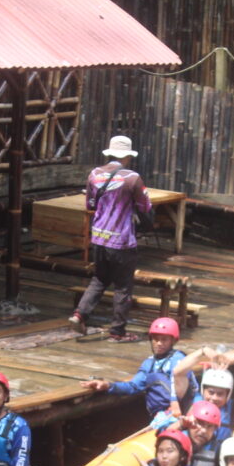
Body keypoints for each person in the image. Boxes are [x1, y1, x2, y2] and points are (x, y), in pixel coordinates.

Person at [68, 135, 153, 343]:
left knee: (99, 279)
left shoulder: (94, 174)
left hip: (99, 238)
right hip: (122, 241)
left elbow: (90, 205)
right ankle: (117, 332)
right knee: (123, 286)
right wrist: (147, 226)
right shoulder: (133, 178)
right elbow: (145, 208)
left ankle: (79, 314)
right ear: (128, 157)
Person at [81, 317, 196, 418]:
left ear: (173, 341)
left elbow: (179, 380)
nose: (159, 343)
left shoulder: (178, 358)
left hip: (181, 411)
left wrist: (175, 405)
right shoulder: (149, 363)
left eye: (164, 339)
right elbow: (133, 386)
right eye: (156, 339)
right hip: (161, 415)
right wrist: (109, 385)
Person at [172, 345, 234, 433]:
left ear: (228, 394)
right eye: (211, 392)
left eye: (220, 394)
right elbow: (178, 373)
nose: (214, 398)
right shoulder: (190, 401)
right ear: (203, 390)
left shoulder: (233, 409)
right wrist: (202, 351)